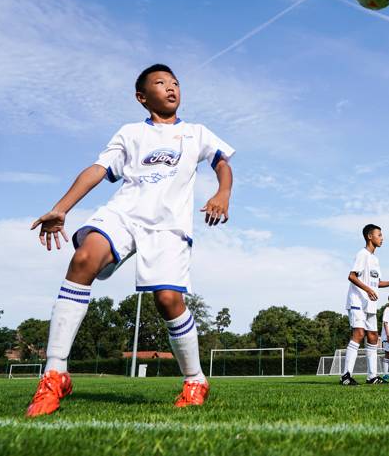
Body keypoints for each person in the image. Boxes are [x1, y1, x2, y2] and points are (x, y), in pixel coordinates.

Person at [26, 64, 235, 417]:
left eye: (175, 83)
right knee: (82, 259)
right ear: (142, 97)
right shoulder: (130, 133)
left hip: (168, 226)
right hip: (124, 215)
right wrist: (61, 208)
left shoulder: (197, 133)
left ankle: (195, 379)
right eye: (160, 83)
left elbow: (222, 164)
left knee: (168, 300)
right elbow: (97, 170)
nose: (171, 87)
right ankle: (54, 373)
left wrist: (223, 194)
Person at [341, 225, 389, 386]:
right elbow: (351, 276)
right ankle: (345, 376)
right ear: (370, 236)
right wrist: (368, 289)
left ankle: (372, 377)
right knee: (358, 333)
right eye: (379, 235)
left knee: (372, 337)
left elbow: (377, 282)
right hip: (357, 301)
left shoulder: (375, 259)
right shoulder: (362, 254)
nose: (382, 238)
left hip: (370, 304)